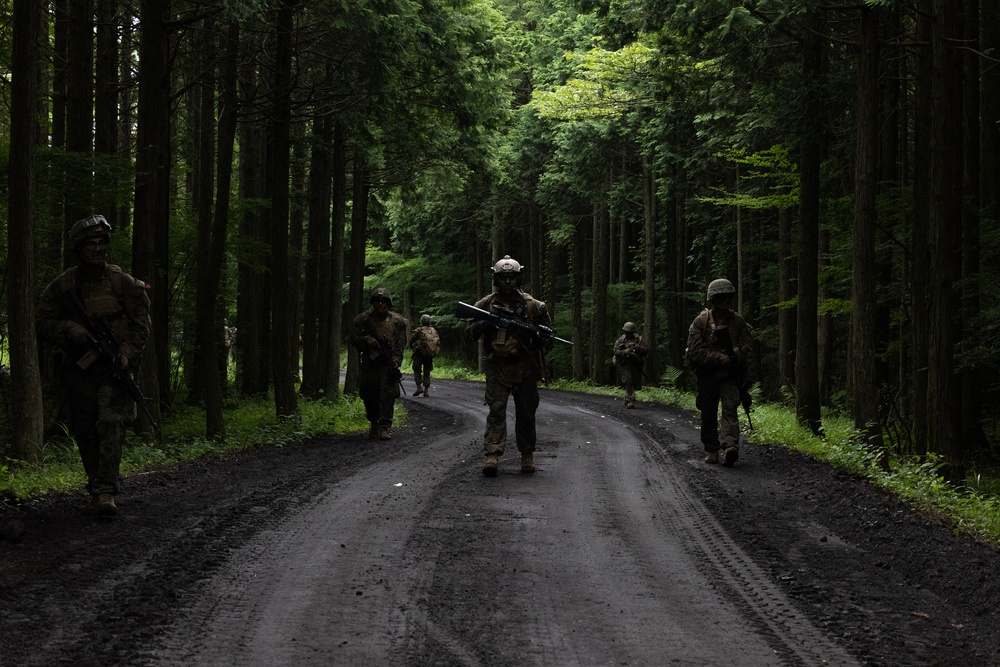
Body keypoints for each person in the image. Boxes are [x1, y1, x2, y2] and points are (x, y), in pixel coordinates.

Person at [36, 214, 152, 517]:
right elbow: (41, 322)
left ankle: (105, 492)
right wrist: (69, 330)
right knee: (85, 429)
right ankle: (96, 485)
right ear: (78, 247)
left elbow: (142, 323)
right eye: (91, 244)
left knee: (111, 423)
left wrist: (126, 352)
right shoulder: (63, 286)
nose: (98, 249)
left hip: (114, 368)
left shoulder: (121, 282)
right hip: (79, 370)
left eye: (102, 243)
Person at [466, 255, 554, 477]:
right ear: (496, 278)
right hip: (498, 367)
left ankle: (527, 455)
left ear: (518, 278)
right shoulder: (484, 305)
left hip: (526, 368)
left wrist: (538, 333)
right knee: (496, 412)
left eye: (511, 277)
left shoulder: (534, 306)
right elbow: (468, 334)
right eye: (503, 277)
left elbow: (549, 341)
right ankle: (492, 455)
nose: (507, 282)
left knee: (526, 414)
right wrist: (483, 324)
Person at [685, 278, 755, 467]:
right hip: (707, 375)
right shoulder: (701, 322)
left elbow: (749, 349)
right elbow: (695, 352)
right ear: (713, 300)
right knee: (708, 412)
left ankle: (731, 445)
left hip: (730, 375)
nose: (726, 302)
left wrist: (748, 376)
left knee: (730, 408)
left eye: (728, 298)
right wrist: (719, 358)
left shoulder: (738, 322)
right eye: (721, 298)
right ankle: (711, 449)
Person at [350, 287, 407, 440]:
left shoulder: (397, 321)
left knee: (387, 395)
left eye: (383, 301)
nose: (380, 304)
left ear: (389, 303)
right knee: (369, 395)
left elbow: (401, 343)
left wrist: (396, 360)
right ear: (373, 303)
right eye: (377, 301)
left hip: (388, 364)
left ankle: (385, 426)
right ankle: (374, 423)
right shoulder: (363, 320)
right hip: (370, 363)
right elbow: (353, 339)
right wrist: (366, 340)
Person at [612, 321, 647, 409]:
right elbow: (615, 351)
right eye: (626, 332)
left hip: (636, 364)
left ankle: (627, 398)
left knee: (634, 382)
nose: (627, 333)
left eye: (629, 332)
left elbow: (646, 350)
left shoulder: (639, 339)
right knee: (628, 381)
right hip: (625, 364)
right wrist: (624, 351)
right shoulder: (621, 340)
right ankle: (631, 400)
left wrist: (638, 348)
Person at [409, 314, 440, 397]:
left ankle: (419, 387)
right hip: (429, 355)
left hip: (419, 353)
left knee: (416, 369)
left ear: (421, 321)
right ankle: (426, 391)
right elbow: (438, 342)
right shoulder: (433, 330)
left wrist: (413, 347)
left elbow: (411, 340)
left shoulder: (418, 330)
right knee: (427, 372)